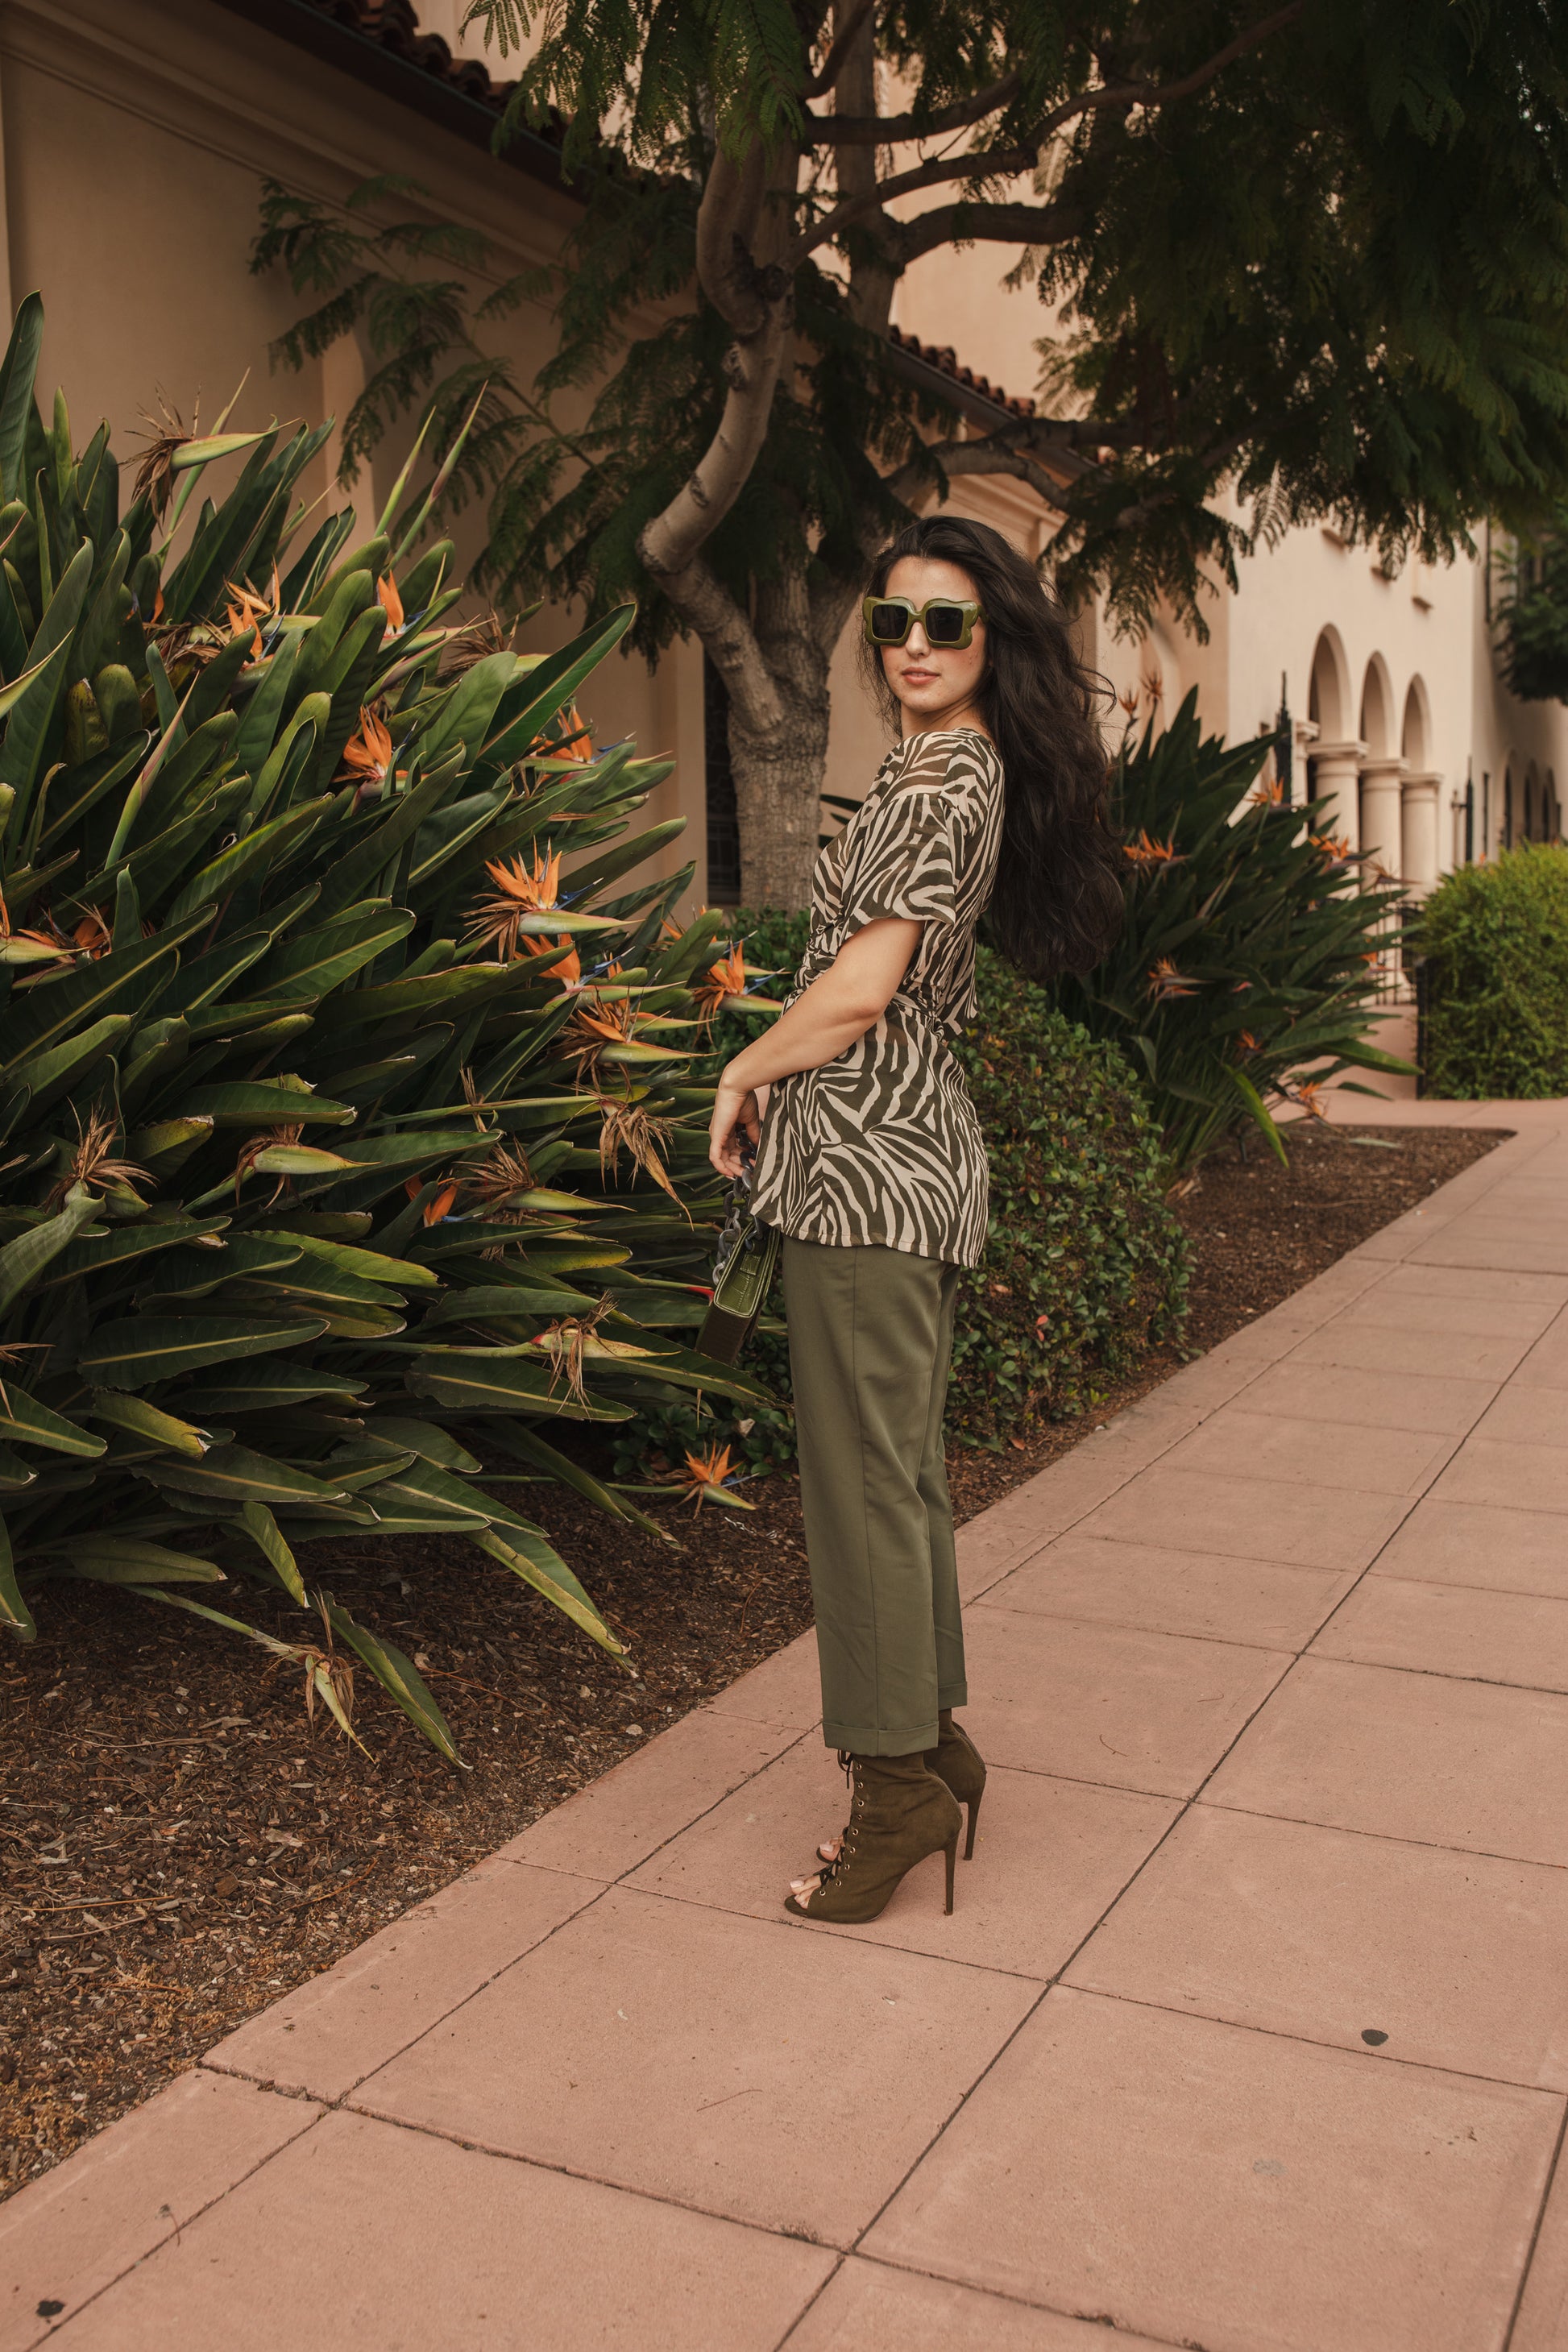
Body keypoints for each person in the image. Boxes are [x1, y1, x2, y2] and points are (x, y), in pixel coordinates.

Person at [707, 513, 1122, 1924]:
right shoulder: (941, 767)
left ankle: (889, 1793)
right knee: (901, 1476)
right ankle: (932, 1746)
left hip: (870, 1170)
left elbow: (858, 990)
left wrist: (742, 1063)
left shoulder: (944, 780)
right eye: (895, 621)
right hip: (894, 1160)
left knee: (865, 1488)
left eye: (948, 622)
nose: (917, 646)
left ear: (990, 638)